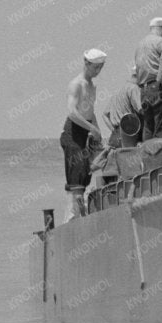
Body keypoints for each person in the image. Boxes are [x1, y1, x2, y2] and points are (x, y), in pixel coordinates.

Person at [61, 49, 106, 216]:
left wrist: (97, 130)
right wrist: (91, 128)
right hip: (73, 132)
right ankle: (73, 217)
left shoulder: (92, 86)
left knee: (86, 173)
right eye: (95, 67)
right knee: (76, 178)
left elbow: (90, 111)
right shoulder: (76, 84)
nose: (98, 71)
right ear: (86, 63)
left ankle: (81, 214)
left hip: (86, 131)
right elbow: (72, 112)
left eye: (100, 67)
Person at [132, 15, 162, 138]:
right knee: (161, 125)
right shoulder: (161, 42)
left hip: (143, 90)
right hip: (157, 87)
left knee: (148, 126)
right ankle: (159, 150)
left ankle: (147, 149)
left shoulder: (140, 44)